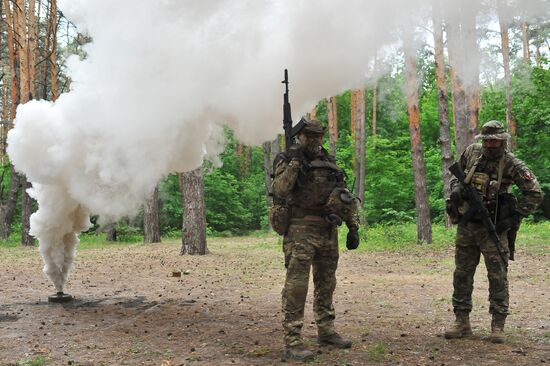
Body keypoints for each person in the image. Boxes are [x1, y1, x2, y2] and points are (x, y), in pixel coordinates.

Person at [444, 120, 542, 343]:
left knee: (497, 276)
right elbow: (454, 176)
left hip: (494, 229)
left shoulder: (512, 164)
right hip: (468, 225)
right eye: (486, 140)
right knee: (462, 274)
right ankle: (462, 322)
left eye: (494, 141)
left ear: (503, 141)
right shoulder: (472, 152)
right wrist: (456, 188)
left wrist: (512, 218)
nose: (489, 145)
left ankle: (498, 325)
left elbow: (535, 194)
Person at [271, 119, 360, 362]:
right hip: (300, 229)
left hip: (327, 229)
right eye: (309, 135)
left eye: (318, 135)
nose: (315, 140)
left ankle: (326, 330)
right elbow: (279, 189)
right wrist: (296, 162)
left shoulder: (329, 161)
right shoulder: (287, 159)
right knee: (297, 286)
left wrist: (353, 226)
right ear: (299, 136)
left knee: (327, 283)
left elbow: (343, 196)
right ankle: (293, 340)